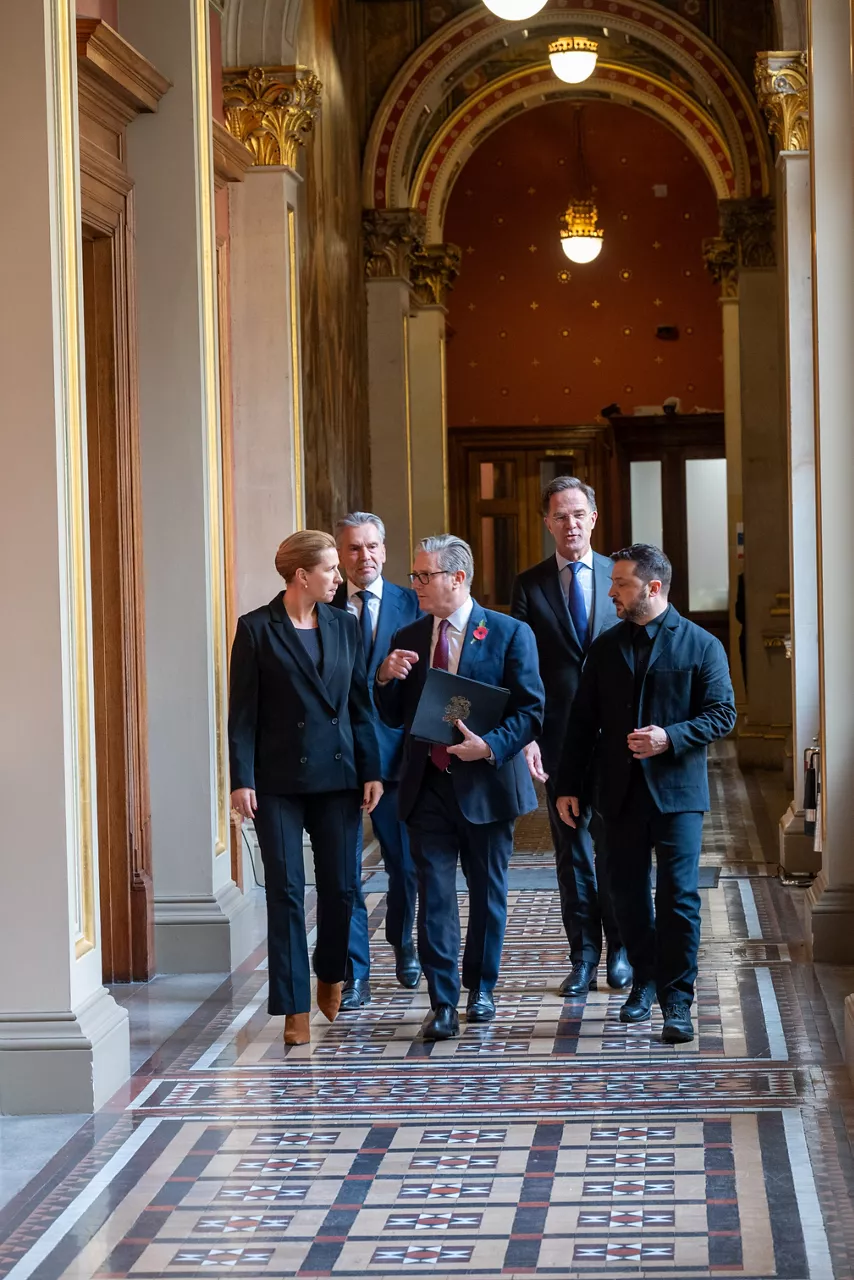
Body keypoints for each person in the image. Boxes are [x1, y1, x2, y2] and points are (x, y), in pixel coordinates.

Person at [555, 544, 736, 1044]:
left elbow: (723, 714)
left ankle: (678, 999)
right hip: (617, 794)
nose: (610, 591)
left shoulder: (702, 645)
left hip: (678, 795)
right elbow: (582, 722)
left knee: (677, 900)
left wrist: (669, 738)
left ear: (653, 588)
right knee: (627, 898)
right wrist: (567, 785)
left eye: (621, 584)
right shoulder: (605, 647)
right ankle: (644, 982)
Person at [375, 534, 544, 1041]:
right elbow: (391, 716)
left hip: (486, 786)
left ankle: (482, 989)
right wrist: (384, 679)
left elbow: (532, 710)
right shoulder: (407, 633)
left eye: (427, 576)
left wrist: (490, 746)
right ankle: (443, 1000)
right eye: (416, 576)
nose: (417, 585)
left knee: (489, 893)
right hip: (426, 785)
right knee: (436, 895)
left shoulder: (510, 633)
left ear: (458, 578)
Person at [228, 530, 383, 1047]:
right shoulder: (255, 630)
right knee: (287, 892)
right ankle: (293, 1006)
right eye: (331, 569)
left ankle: (332, 972)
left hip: (338, 777)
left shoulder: (344, 625)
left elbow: (360, 703)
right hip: (276, 782)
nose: (340, 577)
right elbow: (243, 715)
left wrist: (372, 770)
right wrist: (241, 781)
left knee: (341, 887)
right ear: (302, 576)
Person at [510, 476, 629, 997]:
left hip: (617, 740)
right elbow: (519, 668)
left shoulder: (619, 576)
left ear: (594, 518)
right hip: (559, 741)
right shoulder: (529, 585)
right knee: (572, 853)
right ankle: (582, 956)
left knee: (617, 850)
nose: (571, 523)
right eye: (560, 515)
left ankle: (621, 952)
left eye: (579, 514)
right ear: (547, 523)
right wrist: (527, 735)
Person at [331, 511, 422, 1008]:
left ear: (384, 551)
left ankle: (403, 940)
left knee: (405, 866)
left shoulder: (413, 607)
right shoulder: (324, 609)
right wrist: (377, 676)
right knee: (345, 873)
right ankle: (356, 973)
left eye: (371, 547)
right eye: (352, 549)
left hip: (397, 759)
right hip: (340, 760)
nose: (363, 557)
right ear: (340, 555)